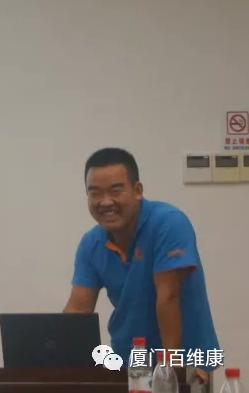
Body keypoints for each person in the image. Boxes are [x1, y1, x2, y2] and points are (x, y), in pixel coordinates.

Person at [63, 148, 219, 382]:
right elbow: (78, 310)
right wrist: (55, 358)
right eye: (95, 193)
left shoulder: (168, 223)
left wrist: (172, 372)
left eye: (115, 191)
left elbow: (168, 296)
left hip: (186, 361)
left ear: (137, 191)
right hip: (130, 362)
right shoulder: (91, 243)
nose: (105, 202)